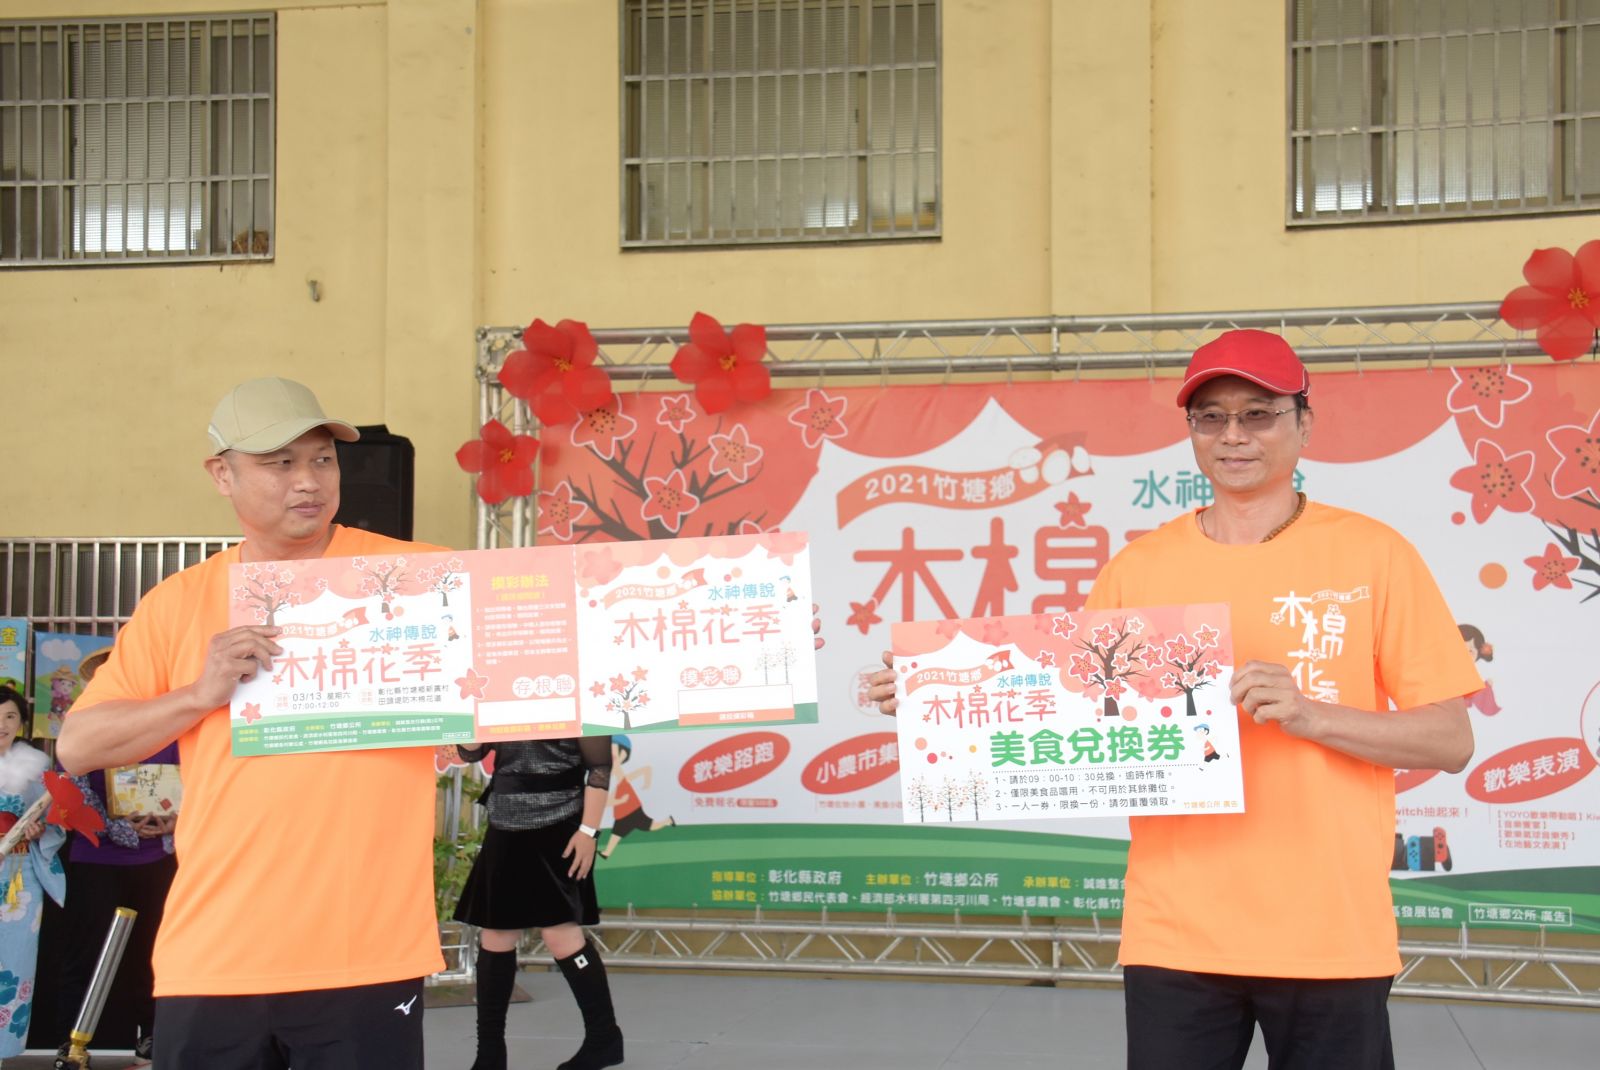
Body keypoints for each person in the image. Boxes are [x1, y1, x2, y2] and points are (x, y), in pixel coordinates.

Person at [871, 329, 1479, 1070]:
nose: (1233, 435)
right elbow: (1070, 715)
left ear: (1305, 424)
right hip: (1177, 932)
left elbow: (1451, 740)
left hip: (1329, 929)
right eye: (1210, 417)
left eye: (1258, 414)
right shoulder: (1139, 569)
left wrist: (1309, 715)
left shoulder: (1375, 555)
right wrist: (937, 697)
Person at [56, 377, 447, 1070]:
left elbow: (529, 687)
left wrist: (479, 731)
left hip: (365, 951)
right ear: (222, 475)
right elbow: (80, 745)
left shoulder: (420, 581)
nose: (309, 481)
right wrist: (199, 694)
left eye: (322, 459)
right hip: (214, 954)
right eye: (280, 463)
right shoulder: (178, 602)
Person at [452, 736, 623, 1070]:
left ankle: (603, 1038)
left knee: (560, 933)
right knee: (496, 934)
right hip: (504, 819)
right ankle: (489, 1053)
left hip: (561, 821)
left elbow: (599, 768)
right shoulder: (498, 702)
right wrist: (470, 722)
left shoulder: (579, 705)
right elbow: (471, 753)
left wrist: (589, 831)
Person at [53, 647, 177, 1065]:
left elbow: (193, 782)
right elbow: (75, 792)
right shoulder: (84, 729)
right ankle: (71, 1043)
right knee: (86, 953)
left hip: (158, 860)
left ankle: (152, 1037)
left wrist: (174, 822)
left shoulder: (167, 726)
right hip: (98, 861)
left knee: (155, 951)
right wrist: (124, 830)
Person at [0, 684, 66, 1062]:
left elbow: (54, 824)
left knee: (15, 959)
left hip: (19, 876)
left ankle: (2, 1051)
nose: (3, 724)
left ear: (22, 723)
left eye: (11, 716)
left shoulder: (36, 768)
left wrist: (40, 831)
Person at [597, 734, 674, 861]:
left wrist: (646, 782)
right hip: (622, 811)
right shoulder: (612, 774)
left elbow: (644, 770)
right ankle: (607, 852)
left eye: (614, 750)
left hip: (632, 809)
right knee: (617, 832)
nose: (610, 754)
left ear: (623, 754)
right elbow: (608, 798)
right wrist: (618, 801)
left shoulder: (617, 772)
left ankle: (667, 821)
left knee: (648, 826)